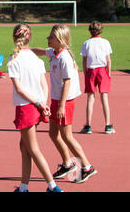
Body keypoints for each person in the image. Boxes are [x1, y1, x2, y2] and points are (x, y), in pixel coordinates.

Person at [31, 25, 97, 184]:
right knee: (53, 134)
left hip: (64, 101)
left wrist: (61, 105)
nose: (48, 39)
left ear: (60, 40)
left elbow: (67, 82)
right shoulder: (53, 53)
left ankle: (87, 166)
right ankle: (68, 164)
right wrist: (24, 50)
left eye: (51, 37)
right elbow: (39, 51)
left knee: (67, 136)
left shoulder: (64, 58)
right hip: (56, 99)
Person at [7, 23, 62, 192]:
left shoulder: (13, 59)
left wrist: (38, 103)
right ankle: (23, 187)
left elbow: (19, 89)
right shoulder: (36, 59)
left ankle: (52, 186)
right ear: (29, 38)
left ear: (14, 38)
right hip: (37, 106)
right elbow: (44, 84)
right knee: (24, 146)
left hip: (27, 107)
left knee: (33, 148)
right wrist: (43, 103)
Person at [80, 21, 114, 134]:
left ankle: (88, 125)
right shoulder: (105, 42)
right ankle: (108, 125)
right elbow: (108, 59)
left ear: (90, 30)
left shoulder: (86, 43)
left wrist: (85, 73)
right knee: (104, 97)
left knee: (90, 98)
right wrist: (109, 73)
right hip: (102, 70)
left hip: (91, 71)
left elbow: (84, 61)